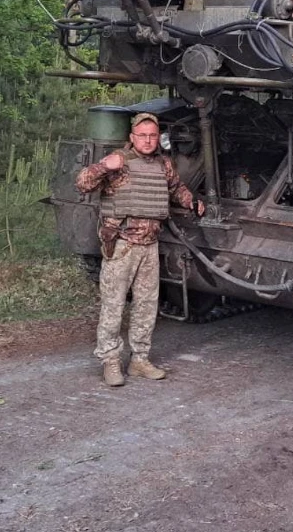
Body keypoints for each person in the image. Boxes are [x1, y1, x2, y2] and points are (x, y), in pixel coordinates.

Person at [75, 112, 205, 387]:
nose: (147, 140)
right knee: (114, 305)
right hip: (121, 244)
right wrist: (103, 168)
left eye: (152, 135)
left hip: (150, 245)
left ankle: (139, 360)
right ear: (132, 137)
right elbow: (82, 184)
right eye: (142, 135)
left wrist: (192, 201)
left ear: (158, 138)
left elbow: (176, 189)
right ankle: (110, 361)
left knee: (147, 306)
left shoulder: (163, 164)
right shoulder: (118, 161)